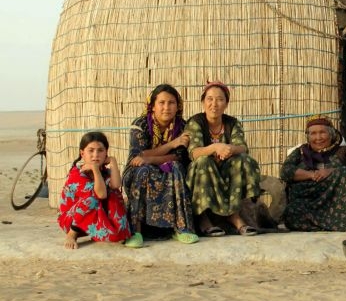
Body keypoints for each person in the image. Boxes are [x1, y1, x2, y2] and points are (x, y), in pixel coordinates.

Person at [122, 84, 198, 248]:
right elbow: (138, 156)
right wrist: (173, 143)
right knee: (143, 170)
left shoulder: (183, 126)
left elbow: (179, 157)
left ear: (177, 106)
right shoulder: (140, 125)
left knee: (176, 167)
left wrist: (151, 158)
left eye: (171, 103)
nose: (166, 107)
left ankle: (182, 228)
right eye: (161, 103)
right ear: (153, 106)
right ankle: (136, 231)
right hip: (136, 171)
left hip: (169, 168)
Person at [184, 81, 262, 236]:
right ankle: (203, 218)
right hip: (201, 172)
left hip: (225, 169)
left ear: (226, 103)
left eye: (220, 99)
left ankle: (234, 217)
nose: (214, 104)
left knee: (243, 160)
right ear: (203, 102)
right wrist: (215, 147)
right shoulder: (196, 122)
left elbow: (242, 147)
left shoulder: (232, 123)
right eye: (210, 99)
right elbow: (194, 152)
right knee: (203, 161)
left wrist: (230, 149)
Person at [280, 115, 346, 231]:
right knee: (291, 213)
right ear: (308, 137)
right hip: (309, 204)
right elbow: (285, 172)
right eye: (313, 133)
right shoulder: (300, 152)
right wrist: (312, 174)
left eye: (322, 132)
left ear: (331, 134)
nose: (318, 137)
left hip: (339, 206)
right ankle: (338, 224)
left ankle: (332, 224)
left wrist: (331, 172)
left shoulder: (344, 151)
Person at [57, 131, 131, 249]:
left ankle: (107, 230)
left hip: (93, 217)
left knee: (114, 194)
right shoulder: (77, 174)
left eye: (100, 150)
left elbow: (116, 185)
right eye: (91, 150)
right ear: (82, 153)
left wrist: (113, 161)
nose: (95, 155)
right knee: (92, 199)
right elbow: (100, 195)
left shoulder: (106, 171)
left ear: (106, 153)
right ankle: (72, 235)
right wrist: (95, 169)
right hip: (72, 220)